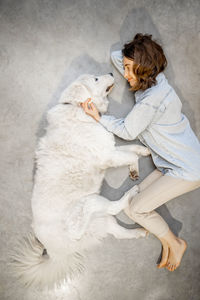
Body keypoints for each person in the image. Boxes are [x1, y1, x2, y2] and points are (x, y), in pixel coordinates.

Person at [80, 33, 200, 272]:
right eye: (126, 68)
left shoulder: (150, 102)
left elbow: (127, 130)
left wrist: (99, 117)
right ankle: (168, 241)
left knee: (135, 208)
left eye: (129, 69)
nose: (125, 75)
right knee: (128, 204)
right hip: (174, 162)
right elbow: (119, 57)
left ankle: (176, 243)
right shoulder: (157, 78)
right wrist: (134, 56)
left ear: (145, 68)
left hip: (188, 170)